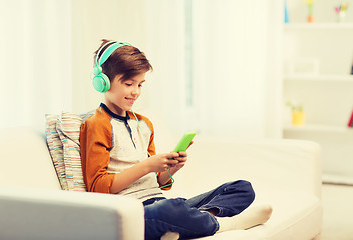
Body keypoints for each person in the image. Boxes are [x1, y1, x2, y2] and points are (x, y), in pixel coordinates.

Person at [80, 40, 272, 240]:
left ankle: (189, 223)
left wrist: (171, 168)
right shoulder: (96, 124)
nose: (135, 91)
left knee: (241, 188)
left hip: (160, 202)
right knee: (170, 209)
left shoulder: (144, 124)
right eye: (129, 84)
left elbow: (157, 183)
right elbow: (98, 187)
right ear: (102, 81)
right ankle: (222, 224)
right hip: (134, 213)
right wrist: (147, 166)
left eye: (140, 84)